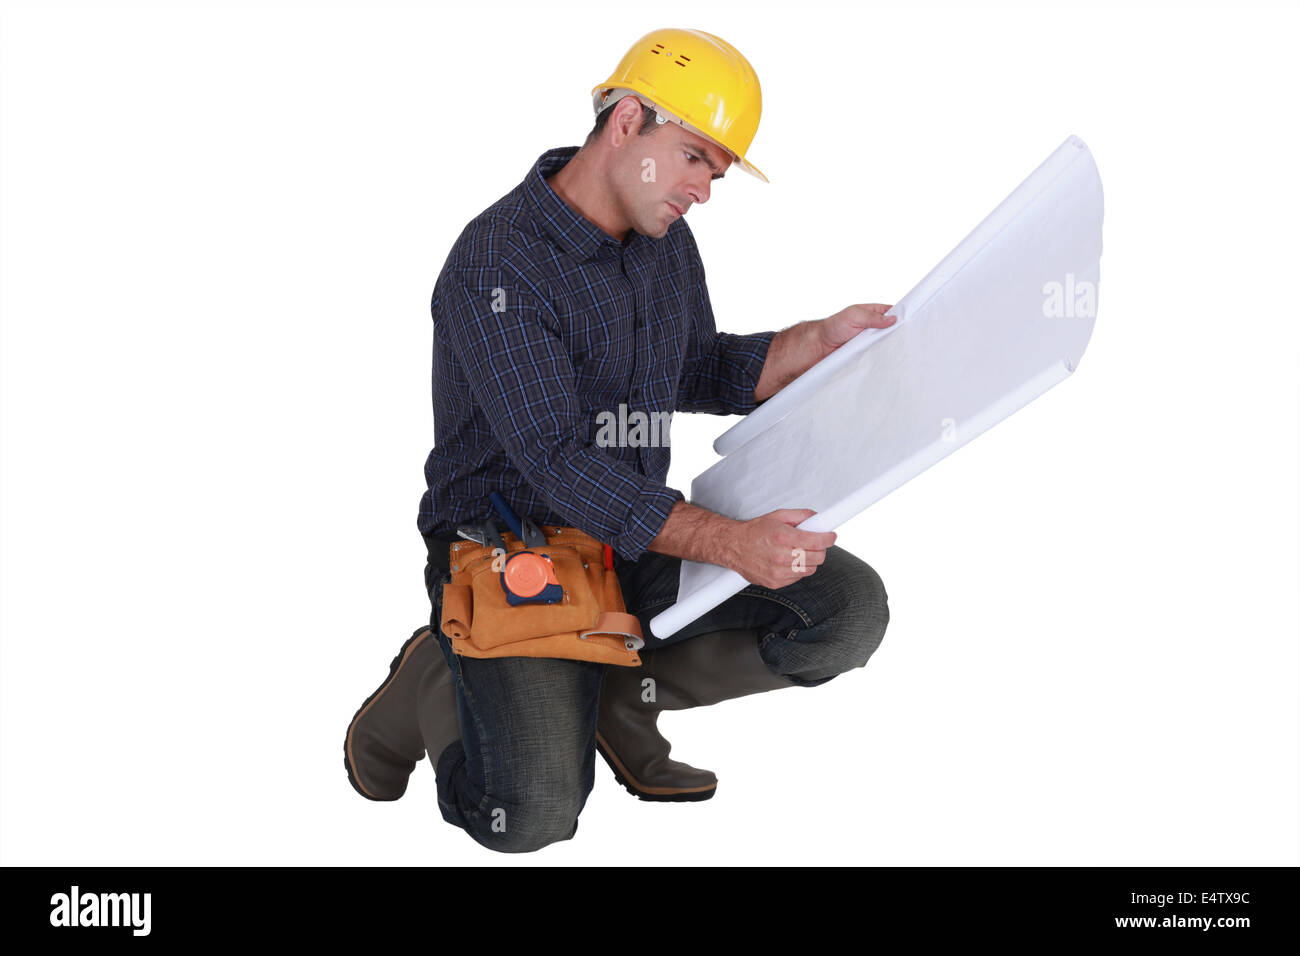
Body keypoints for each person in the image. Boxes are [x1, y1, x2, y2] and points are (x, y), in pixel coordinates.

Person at [343, 27, 893, 853]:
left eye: (716, 170)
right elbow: (557, 460)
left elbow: (694, 367)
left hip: (631, 544)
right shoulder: (499, 265)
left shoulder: (663, 245)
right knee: (530, 816)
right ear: (628, 120)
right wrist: (729, 542)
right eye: (696, 159)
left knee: (843, 611)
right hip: (509, 547)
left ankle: (606, 694)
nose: (705, 190)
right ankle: (435, 677)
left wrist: (808, 344)